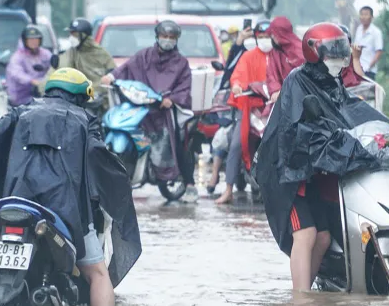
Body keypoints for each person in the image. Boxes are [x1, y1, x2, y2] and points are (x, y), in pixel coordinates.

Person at [0, 68, 141, 306]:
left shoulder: (21, 111)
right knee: (98, 274)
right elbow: (96, 156)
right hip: (66, 209)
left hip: (16, 203)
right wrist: (118, 176)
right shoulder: (85, 119)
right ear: (81, 95)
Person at [255, 23, 364, 292]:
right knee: (306, 234)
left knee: (324, 238)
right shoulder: (297, 80)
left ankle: (309, 293)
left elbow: (348, 112)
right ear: (315, 52)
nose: (339, 58)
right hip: (288, 175)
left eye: (342, 51)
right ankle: (300, 302)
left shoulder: (332, 82)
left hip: (312, 174)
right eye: (333, 52)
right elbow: (295, 130)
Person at [101, 20, 193, 186]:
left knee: (176, 143)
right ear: (157, 37)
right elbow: (125, 68)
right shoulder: (144, 55)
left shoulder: (181, 63)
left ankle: (185, 179)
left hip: (164, 111)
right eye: (164, 36)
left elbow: (184, 88)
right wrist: (111, 77)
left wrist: (171, 100)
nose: (167, 39)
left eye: (171, 37)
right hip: (142, 106)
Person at [215, 19, 272, 205]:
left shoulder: (281, 57)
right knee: (236, 144)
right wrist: (238, 86)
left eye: (267, 36)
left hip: (273, 108)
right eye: (260, 36)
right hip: (250, 108)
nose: (264, 40)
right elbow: (237, 76)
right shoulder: (247, 56)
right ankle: (229, 189)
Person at [55, 18, 117, 111]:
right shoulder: (71, 52)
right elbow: (61, 70)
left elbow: (113, 75)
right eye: (71, 34)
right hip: (74, 98)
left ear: (84, 35)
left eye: (75, 34)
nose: (71, 37)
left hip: (98, 101)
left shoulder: (100, 53)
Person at [5, 24, 52, 106]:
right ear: (24, 41)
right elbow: (16, 73)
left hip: (41, 93)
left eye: (36, 39)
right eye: (30, 40)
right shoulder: (18, 56)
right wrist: (31, 81)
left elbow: (53, 67)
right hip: (21, 97)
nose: (34, 42)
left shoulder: (45, 54)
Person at [266, 16, 305, 102]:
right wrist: (275, 91)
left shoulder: (300, 50)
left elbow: (305, 78)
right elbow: (271, 74)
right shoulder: (275, 51)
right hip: (281, 99)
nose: (272, 37)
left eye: (273, 34)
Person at [353, 6, 384, 79]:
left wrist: (369, 67)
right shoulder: (359, 29)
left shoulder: (376, 32)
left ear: (372, 17)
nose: (363, 17)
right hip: (357, 69)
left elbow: (379, 51)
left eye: (366, 14)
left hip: (369, 71)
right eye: (362, 14)